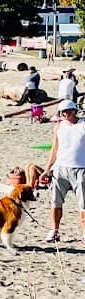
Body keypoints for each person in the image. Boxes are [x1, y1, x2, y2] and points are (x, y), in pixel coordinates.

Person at [42, 100, 85, 242]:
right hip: (60, 168)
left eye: (67, 111)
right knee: (55, 202)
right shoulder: (59, 126)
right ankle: (54, 230)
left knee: (83, 204)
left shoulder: (83, 124)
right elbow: (54, 148)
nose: (65, 114)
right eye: (62, 112)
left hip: (81, 169)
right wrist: (47, 168)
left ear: (74, 110)